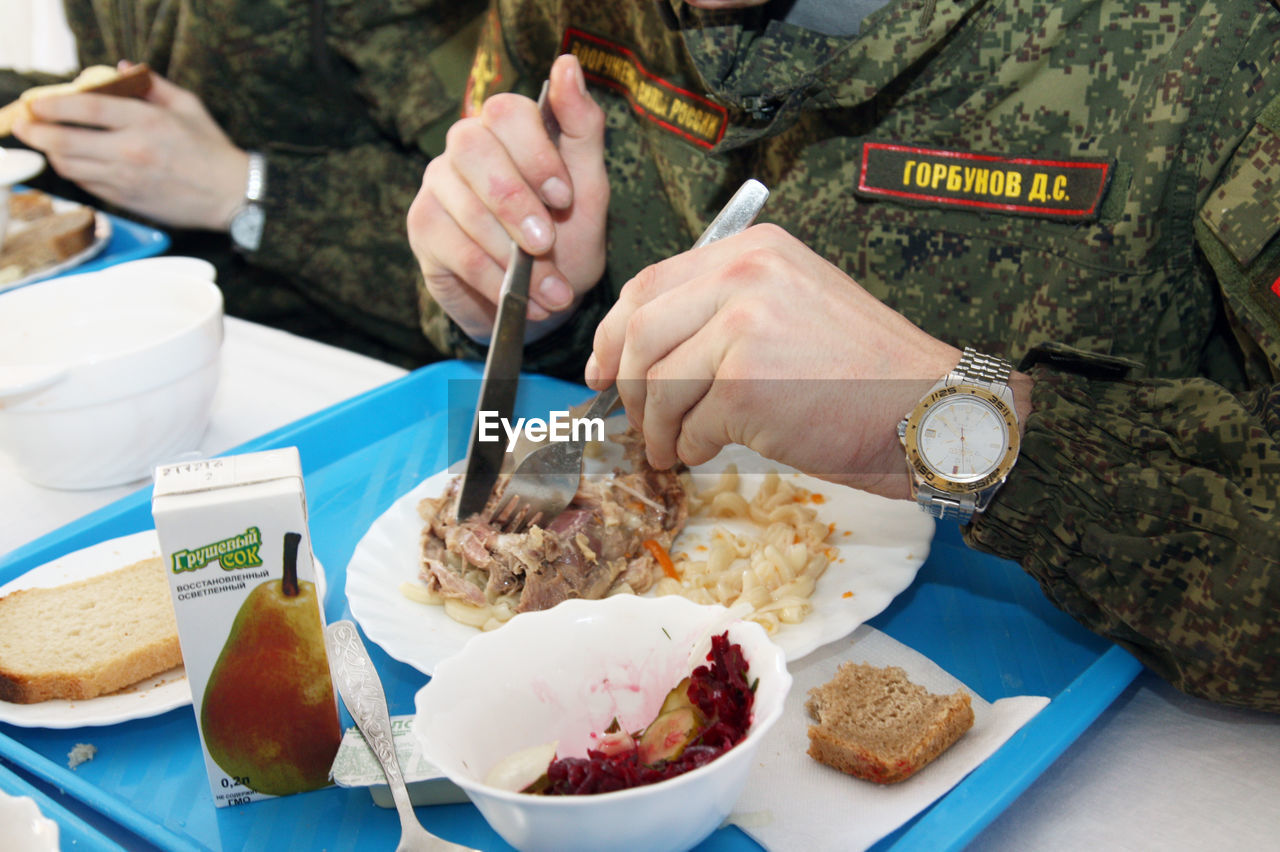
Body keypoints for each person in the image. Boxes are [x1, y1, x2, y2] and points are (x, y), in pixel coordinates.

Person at [407, 0, 1280, 712]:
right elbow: (513, 244)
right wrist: (520, 306)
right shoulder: (552, 14)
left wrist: (957, 422)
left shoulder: (1232, 43)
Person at [0, 0, 485, 368]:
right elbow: (105, 89)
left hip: (365, 378)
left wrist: (242, 191)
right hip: (156, 338)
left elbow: (497, 227)